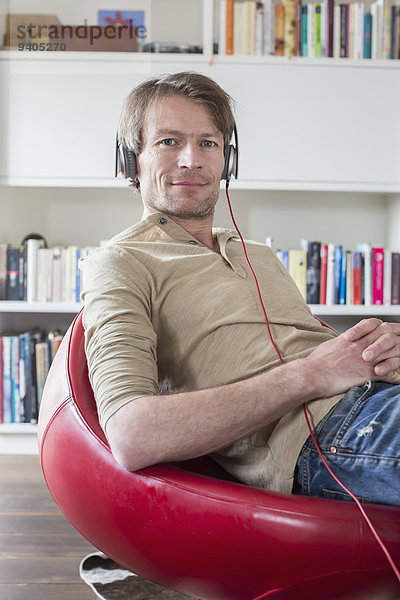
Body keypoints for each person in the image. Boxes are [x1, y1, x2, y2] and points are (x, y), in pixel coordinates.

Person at [80, 72, 400, 506]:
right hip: (334, 430)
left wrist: (375, 352)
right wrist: (313, 373)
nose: (191, 159)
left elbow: (313, 349)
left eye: (208, 143)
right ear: (130, 158)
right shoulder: (120, 262)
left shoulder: (257, 253)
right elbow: (131, 433)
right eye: (169, 141)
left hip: (382, 395)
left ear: (227, 161)